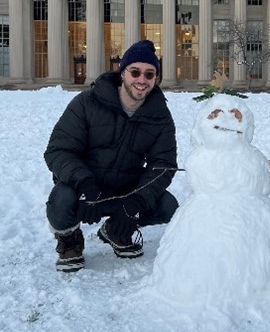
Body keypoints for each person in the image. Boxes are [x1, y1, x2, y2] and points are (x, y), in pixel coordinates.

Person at [44, 39, 178, 272]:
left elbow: (163, 165)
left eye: (149, 74)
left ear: (156, 79)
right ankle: (69, 239)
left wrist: (135, 203)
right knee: (60, 200)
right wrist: (84, 183)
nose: (142, 80)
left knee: (167, 205)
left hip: (125, 192)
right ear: (123, 73)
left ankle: (116, 230)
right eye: (135, 72)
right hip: (83, 189)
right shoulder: (87, 103)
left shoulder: (160, 115)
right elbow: (58, 150)